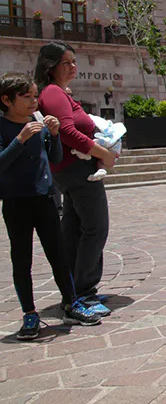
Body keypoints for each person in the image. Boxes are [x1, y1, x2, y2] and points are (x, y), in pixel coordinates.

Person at [0, 73, 101, 339]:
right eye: (26, 97)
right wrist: (19, 140)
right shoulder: (4, 127)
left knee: (58, 254)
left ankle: (71, 303)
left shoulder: (39, 123)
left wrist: (54, 135)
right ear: (6, 100)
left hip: (45, 199)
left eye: (35, 96)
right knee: (22, 259)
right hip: (16, 202)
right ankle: (29, 314)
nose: (34, 102)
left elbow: (55, 157)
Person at [35, 42, 117, 317]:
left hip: (69, 171)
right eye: (66, 62)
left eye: (74, 61)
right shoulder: (54, 93)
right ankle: (84, 291)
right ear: (51, 66)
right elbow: (68, 132)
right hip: (79, 171)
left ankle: (73, 289)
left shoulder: (56, 92)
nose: (73, 67)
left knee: (73, 230)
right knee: (95, 228)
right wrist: (103, 153)